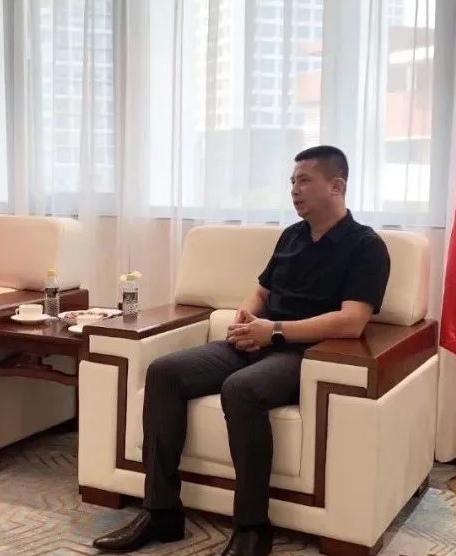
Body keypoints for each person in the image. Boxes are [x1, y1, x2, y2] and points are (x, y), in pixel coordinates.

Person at [92, 145, 390, 556]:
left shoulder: (366, 246)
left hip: (304, 355)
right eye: (292, 181)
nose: (294, 190)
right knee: (164, 372)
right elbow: (261, 292)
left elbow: (353, 320)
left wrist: (275, 332)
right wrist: (245, 317)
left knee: (241, 390)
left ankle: (252, 527)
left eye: (305, 180)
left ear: (336, 186)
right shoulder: (291, 236)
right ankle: (161, 511)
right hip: (258, 340)